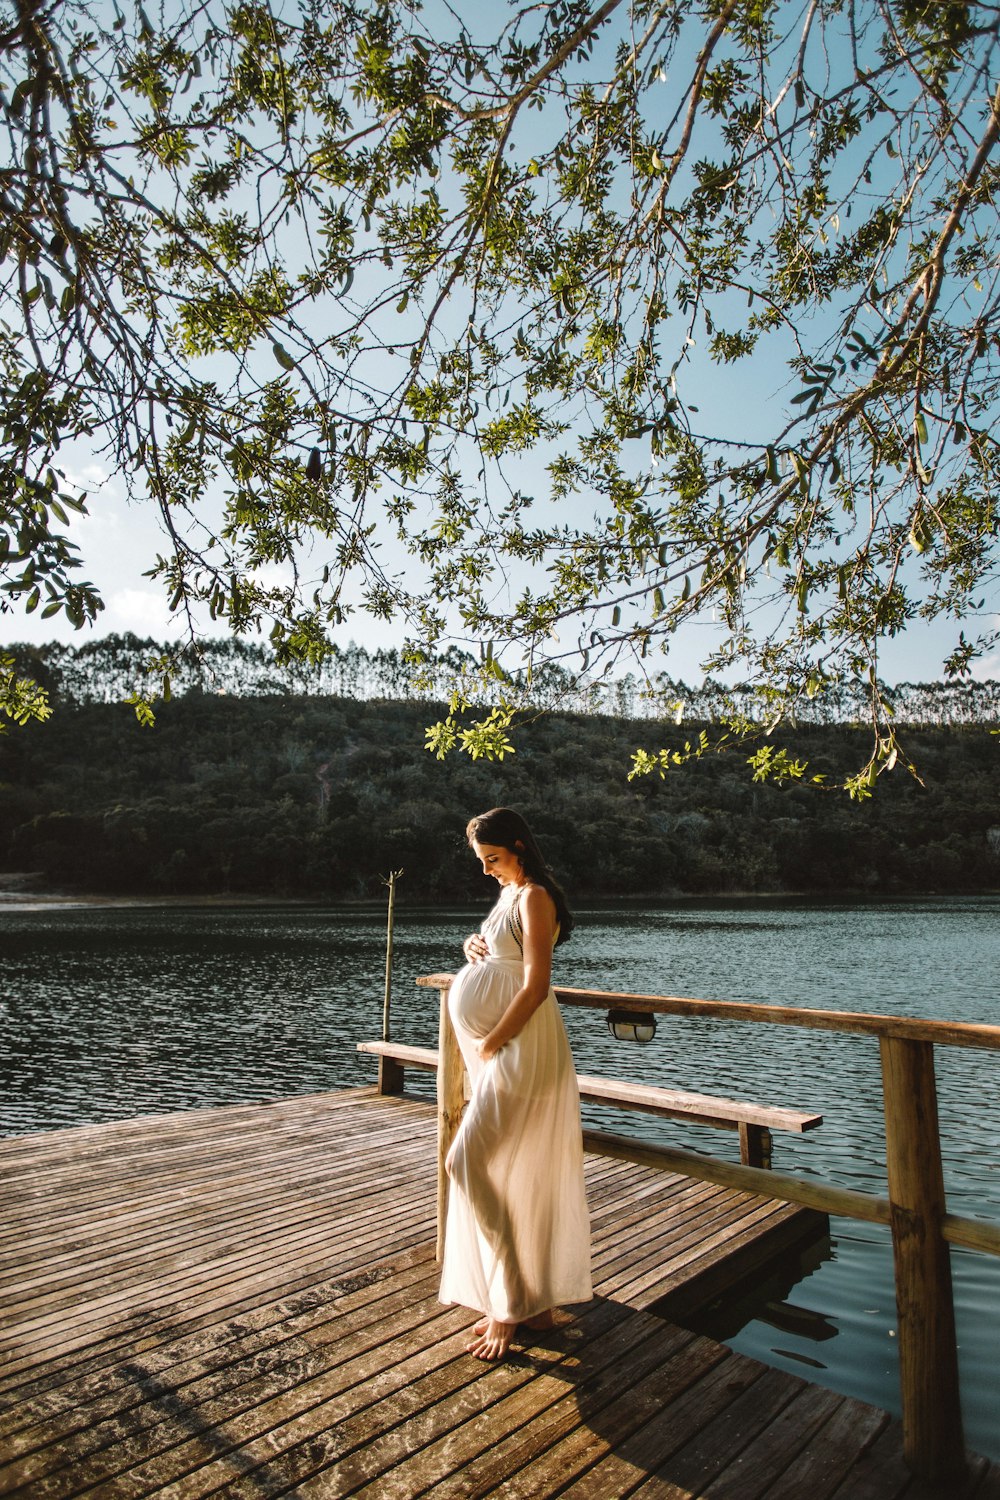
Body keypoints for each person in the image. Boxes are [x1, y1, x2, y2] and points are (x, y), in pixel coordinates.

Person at [438, 807, 593, 1361]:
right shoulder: (509, 895)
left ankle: (508, 1303)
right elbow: (500, 954)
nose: (487, 870)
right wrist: (471, 947)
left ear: (520, 847)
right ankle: (534, 1304)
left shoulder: (533, 896)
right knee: (508, 1168)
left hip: (519, 1051)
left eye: (494, 859)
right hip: (503, 1054)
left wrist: (488, 1041)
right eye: (482, 862)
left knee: (466, 1163)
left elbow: (535, 987)